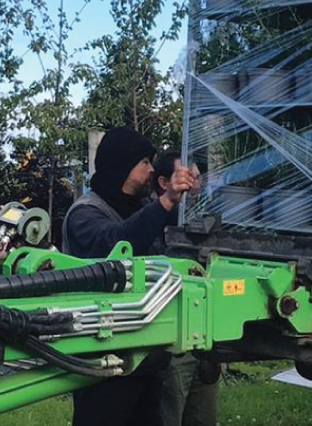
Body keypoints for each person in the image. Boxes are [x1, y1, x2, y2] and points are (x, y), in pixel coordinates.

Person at [60, 127, 193, 426]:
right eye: (144, 162)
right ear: (122, 165)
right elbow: (116, 244)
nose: (151, 170)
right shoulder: (85, 214)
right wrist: (167, 200)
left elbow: (171, 230)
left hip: (144, 356)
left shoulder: (141, 207)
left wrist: (188, 197)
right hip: (102, 358)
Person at [153, 150, 220, 426]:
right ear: (163, 183)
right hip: (173, 340)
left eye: (197, 177)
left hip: (205, 336)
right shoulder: (156, 219)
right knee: (169, 412)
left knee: (203, 414)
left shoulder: (205, 217)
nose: (195, 184)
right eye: (187, 177)